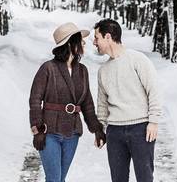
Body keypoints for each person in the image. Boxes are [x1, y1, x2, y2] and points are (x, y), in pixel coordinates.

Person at [29, 22, 107, 182]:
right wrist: (37, 130)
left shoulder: (82, 70)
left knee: (60, 179)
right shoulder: (48, 68)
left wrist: (97, 129)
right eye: (81, 40)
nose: (84, 43)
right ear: (71, 43)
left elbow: (87, 104)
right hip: (49, 132)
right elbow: (35, 99)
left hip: (72, 133)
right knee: (54, 179)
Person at [93, 18, 162, 182]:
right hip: (115, 132)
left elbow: (154, 90)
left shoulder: (137, 60)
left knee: (144, 178)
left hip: (140, 129)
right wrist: (100, 130)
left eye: (97, 38)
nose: (94, 42)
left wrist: (153, 121)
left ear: (108, 37)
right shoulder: (103, 70)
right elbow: (102, 104)